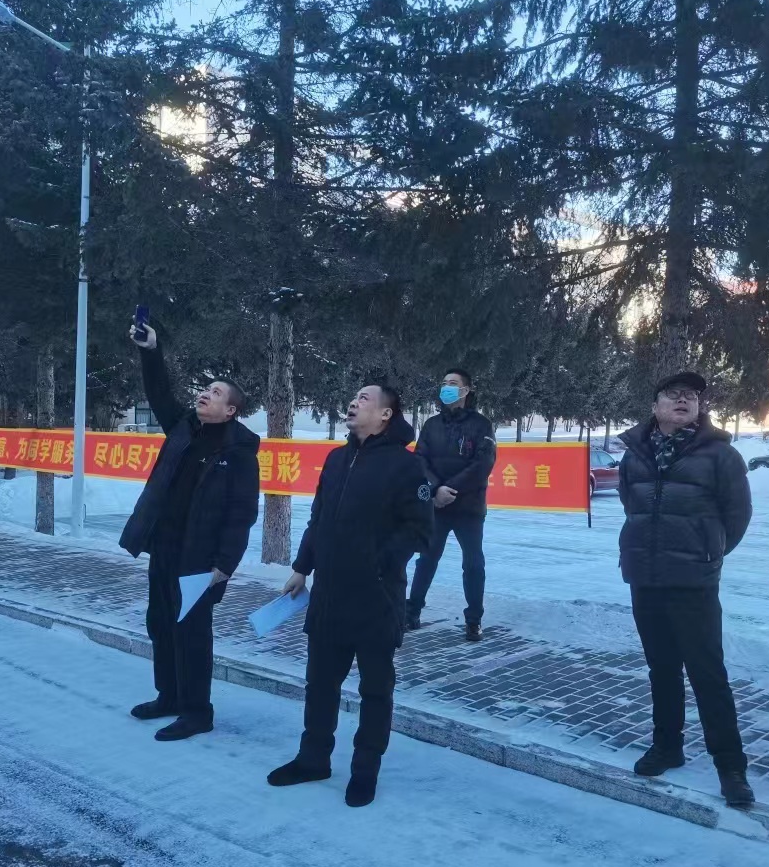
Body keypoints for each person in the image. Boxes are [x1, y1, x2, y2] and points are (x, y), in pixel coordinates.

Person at [268, 384, 433, 807]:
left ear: (385, 415)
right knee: (319, 684)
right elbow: (318, 517)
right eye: (354, 397)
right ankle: (313, 760)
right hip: (329, 595)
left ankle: (365, 771)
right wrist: (302, 567)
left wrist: (377, 563)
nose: (354, 402)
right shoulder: (336, 459)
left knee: (375, 691)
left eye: (364, 399)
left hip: (377, 598)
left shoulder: (406, 466)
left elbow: (419, 530)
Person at [616, 371, 755, 808]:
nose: (684, 400)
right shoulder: (635, 454)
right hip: (645, 577)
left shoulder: (721, 455)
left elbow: (737, 517)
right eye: (673, 394)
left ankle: (730, 766)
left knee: (707, 674)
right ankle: (667, 746)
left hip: (694, 581)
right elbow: (631, 504)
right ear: (655, 406)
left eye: (691, 396)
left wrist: (707, 553)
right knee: (661, 669)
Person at [119, 320, 260, 742]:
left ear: (231, 410)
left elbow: (242, 514)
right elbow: (159, 392)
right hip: (165, 547)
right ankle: (170, 696)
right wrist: (151, 350)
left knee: (192, 633)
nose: (205, 393)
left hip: (201, 560)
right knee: (161, 623)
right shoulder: (183, 427)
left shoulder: (238, 452)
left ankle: (198, 711)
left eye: (216, 392)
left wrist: (224, 566)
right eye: (205, 389)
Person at [406, 369, 497, 641]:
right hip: (437, 506)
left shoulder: (482, 425)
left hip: (469, 508)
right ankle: (411, 613)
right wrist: (436, 489)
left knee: (473, 564)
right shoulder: (432, 425)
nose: (447, 387)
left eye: (453, 383)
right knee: (426, 560)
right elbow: (420, 459)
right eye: (444, 383)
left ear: (466, 390)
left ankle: (474, 620)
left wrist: (451, 489)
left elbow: (483, 464)